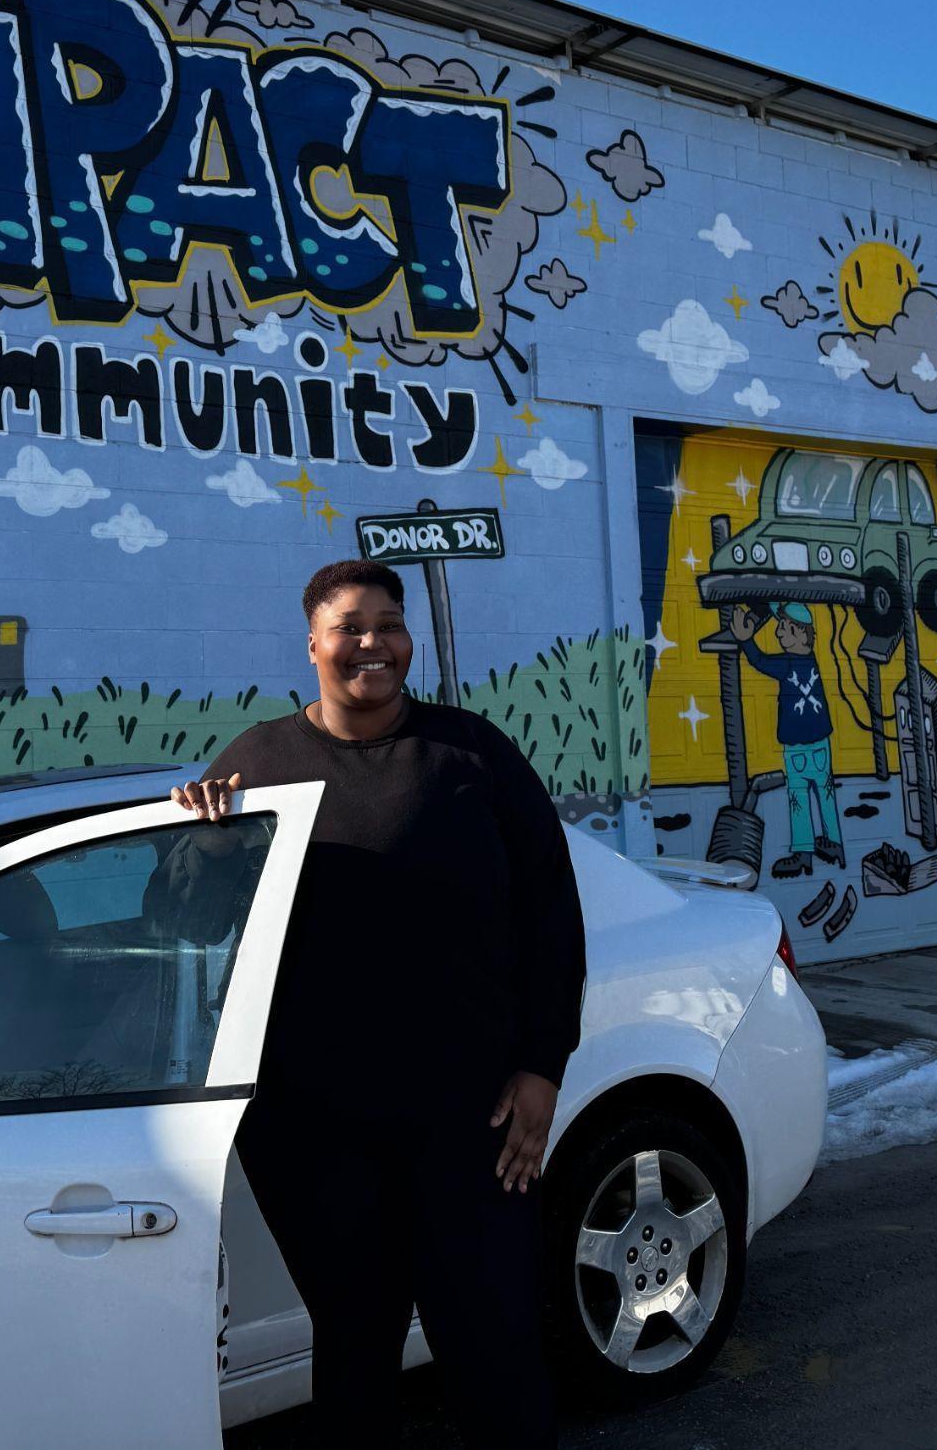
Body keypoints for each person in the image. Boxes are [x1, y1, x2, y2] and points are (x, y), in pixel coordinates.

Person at [168, 558, 585, 1446]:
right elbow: (184, 924)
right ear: (313, 643)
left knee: (493, 1346)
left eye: (390, 623)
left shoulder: (473, 754)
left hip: (471, 1124)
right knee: (354, 1349)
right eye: (352, 625)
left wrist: (543, 1066)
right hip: (316, 1134)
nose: (374, 642)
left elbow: (554, 915)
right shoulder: (258, 764)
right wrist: (203, 842)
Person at [726, 599, 844, 877]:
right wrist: (771, 597)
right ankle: (834, 844)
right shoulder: (808, 660)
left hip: (797, 747)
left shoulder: (789, 663)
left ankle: (804, 852)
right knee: (823, 794)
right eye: (780, 626)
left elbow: (759, 661)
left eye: (785, 627)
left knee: (799, 797)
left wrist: (746, 640)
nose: (779, 632)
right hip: (819, 743)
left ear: (802, 634)